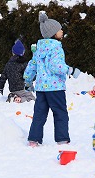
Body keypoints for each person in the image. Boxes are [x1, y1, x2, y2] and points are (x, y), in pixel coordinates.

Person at [23, 12, 81, 147]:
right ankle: (62, 139)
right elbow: (55, 66)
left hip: (41, 88)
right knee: (60, 112)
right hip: (55, 88)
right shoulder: (56, 48)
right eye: (60, 29)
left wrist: (28, 80)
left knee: (39, 114)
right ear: (53, 33)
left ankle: (34, 140)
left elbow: (32, 65)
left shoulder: (39, 48)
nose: (62, 31)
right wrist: (69, 70)